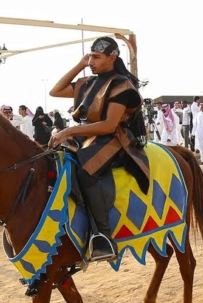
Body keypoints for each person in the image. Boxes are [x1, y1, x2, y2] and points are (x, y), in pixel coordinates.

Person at [48, 36, 147, 262]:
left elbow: (109, 125)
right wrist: (80, 64)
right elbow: (56, 90)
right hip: (87, 137)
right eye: (90, 56)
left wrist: (69, 132)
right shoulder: (87, 83)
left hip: (113, 139)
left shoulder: (121, 85)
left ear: (112, 58)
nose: (91, 61)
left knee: (85, 169)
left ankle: (103, 236)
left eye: (96, 57)